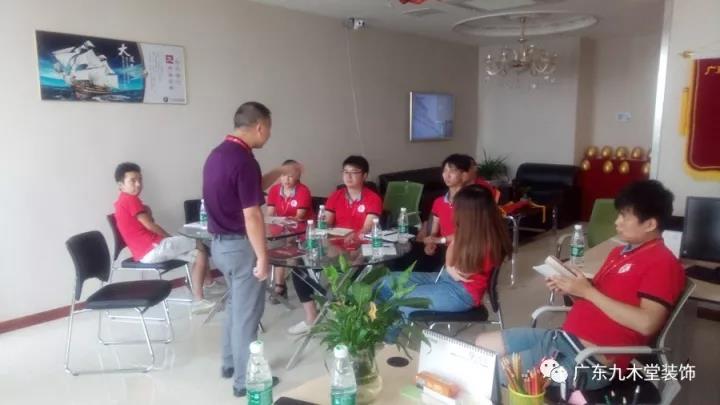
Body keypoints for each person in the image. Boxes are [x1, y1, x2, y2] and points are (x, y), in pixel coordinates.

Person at [474, 180, 686, 391]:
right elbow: (597, 302)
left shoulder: (662, 263)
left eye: (624, 216)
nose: (617, 222)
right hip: (561, 339)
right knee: (481, 345)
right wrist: (573, 290)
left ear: (650, 224)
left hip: (587, 360)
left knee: (487, 372)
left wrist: (588, 291)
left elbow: (647, 323)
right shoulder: (619, 253)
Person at [203, 102, 294, 397]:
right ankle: (246, 381)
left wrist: (279, 171)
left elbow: (248, 187)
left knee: (235, 307)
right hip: (241, 248)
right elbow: (252, 214)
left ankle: (230, 363)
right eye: (269, 128)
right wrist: (263, 257)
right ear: (259, 126)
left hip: (219, 246)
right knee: (247, 315)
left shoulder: (218, 155)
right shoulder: (244, 161)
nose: (269, 134)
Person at [378, 184, 512, 341]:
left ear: (470, 214)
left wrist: (450, 260)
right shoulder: (474, 230)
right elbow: (451, 256)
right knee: (384, 282)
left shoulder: (485, 244)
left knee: (400, 300)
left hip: (461, 293)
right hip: (444, 277)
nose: (454, 211)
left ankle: (387, 340)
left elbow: (457, 268)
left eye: (457, 207)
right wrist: (449, 261)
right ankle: (379, 327)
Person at [286, 155, 383, 335]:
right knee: (298, 264)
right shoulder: (336, 196)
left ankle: (345, 315)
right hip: (335, 247)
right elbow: (327, 224)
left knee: (348, 272)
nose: (348, 176)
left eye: (354, 172)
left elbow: (367, 228)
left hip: (360, 249)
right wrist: (323, 231)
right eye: (345, 172)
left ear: (364, 175)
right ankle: (311, 318)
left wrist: (355, 236)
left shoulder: (372, 198)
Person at [113, 162, 215, 314]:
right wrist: (169, 238)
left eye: (140, 179)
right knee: (198, 242)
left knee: (199, 254)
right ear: (121, 185)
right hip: (152, 248)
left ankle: (201, 295)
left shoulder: (121, 202)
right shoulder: (130, 200)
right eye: (132, 180)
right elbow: (150, 225)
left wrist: (148, 212)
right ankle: (206, 287)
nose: (138, 184)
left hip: (145, 253)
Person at [265, 159, 314, 302]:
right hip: (281, 229)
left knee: (288, 249)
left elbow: (299, 217)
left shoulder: (303, 191)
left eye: (290, 176)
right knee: (276, 249)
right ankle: (280, 286)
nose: (286, 179)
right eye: (283, 175)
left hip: (301, 231)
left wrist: (282, 220)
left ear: (298, 176)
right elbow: (270, 214)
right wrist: (272, 223)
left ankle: (292, 284)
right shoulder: (274, 190)